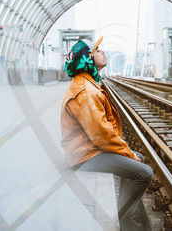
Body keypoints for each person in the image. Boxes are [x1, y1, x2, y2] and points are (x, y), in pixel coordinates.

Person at [60, 36, 154, 230]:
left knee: (139, 161)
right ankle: (128, 223)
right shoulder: (86, 92)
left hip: (89, 149)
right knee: (144, 173)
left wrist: (128, 153)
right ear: (87, 58)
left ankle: (138, 225)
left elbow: (102, 131)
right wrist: (127, 152)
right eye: (97, 50)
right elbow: (102, 136)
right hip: (85, 155)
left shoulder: (89, 83)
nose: (103, 52)